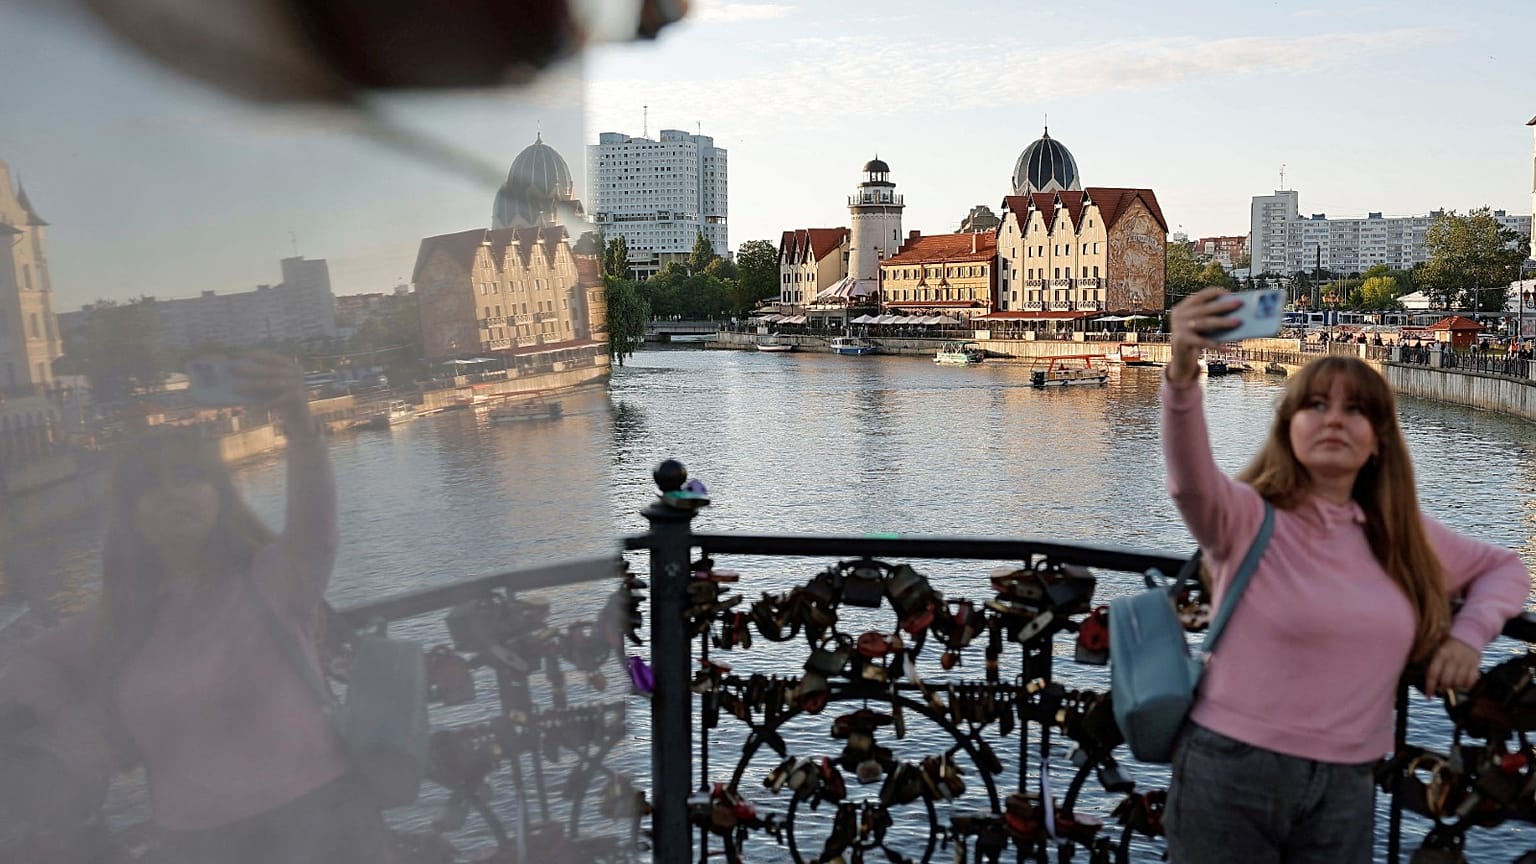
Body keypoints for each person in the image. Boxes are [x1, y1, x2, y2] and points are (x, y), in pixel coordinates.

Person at [1159, 287, 1531, 864]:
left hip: (1349, 780)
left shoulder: (1400, 534)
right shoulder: (1247, 516)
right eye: (1316, 405)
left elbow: (1504, 569)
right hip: (1232, 767)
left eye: (1356, 409)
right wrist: (1183, 369)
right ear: (1288, 426)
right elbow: (1189, 480)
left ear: (1379, 440)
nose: (1335, 418)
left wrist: (1468, 635)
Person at [0, 352, 391, 864]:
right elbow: (23, 662)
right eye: (150, 487)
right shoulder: (123, 617)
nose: (170, 495)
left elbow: (317, 523)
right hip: (199, 841)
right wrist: (69, 718)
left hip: (321, 821)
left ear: (219, 494)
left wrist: (298, 418)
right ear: (131, 516)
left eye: (187, 477)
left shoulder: (274, 579)